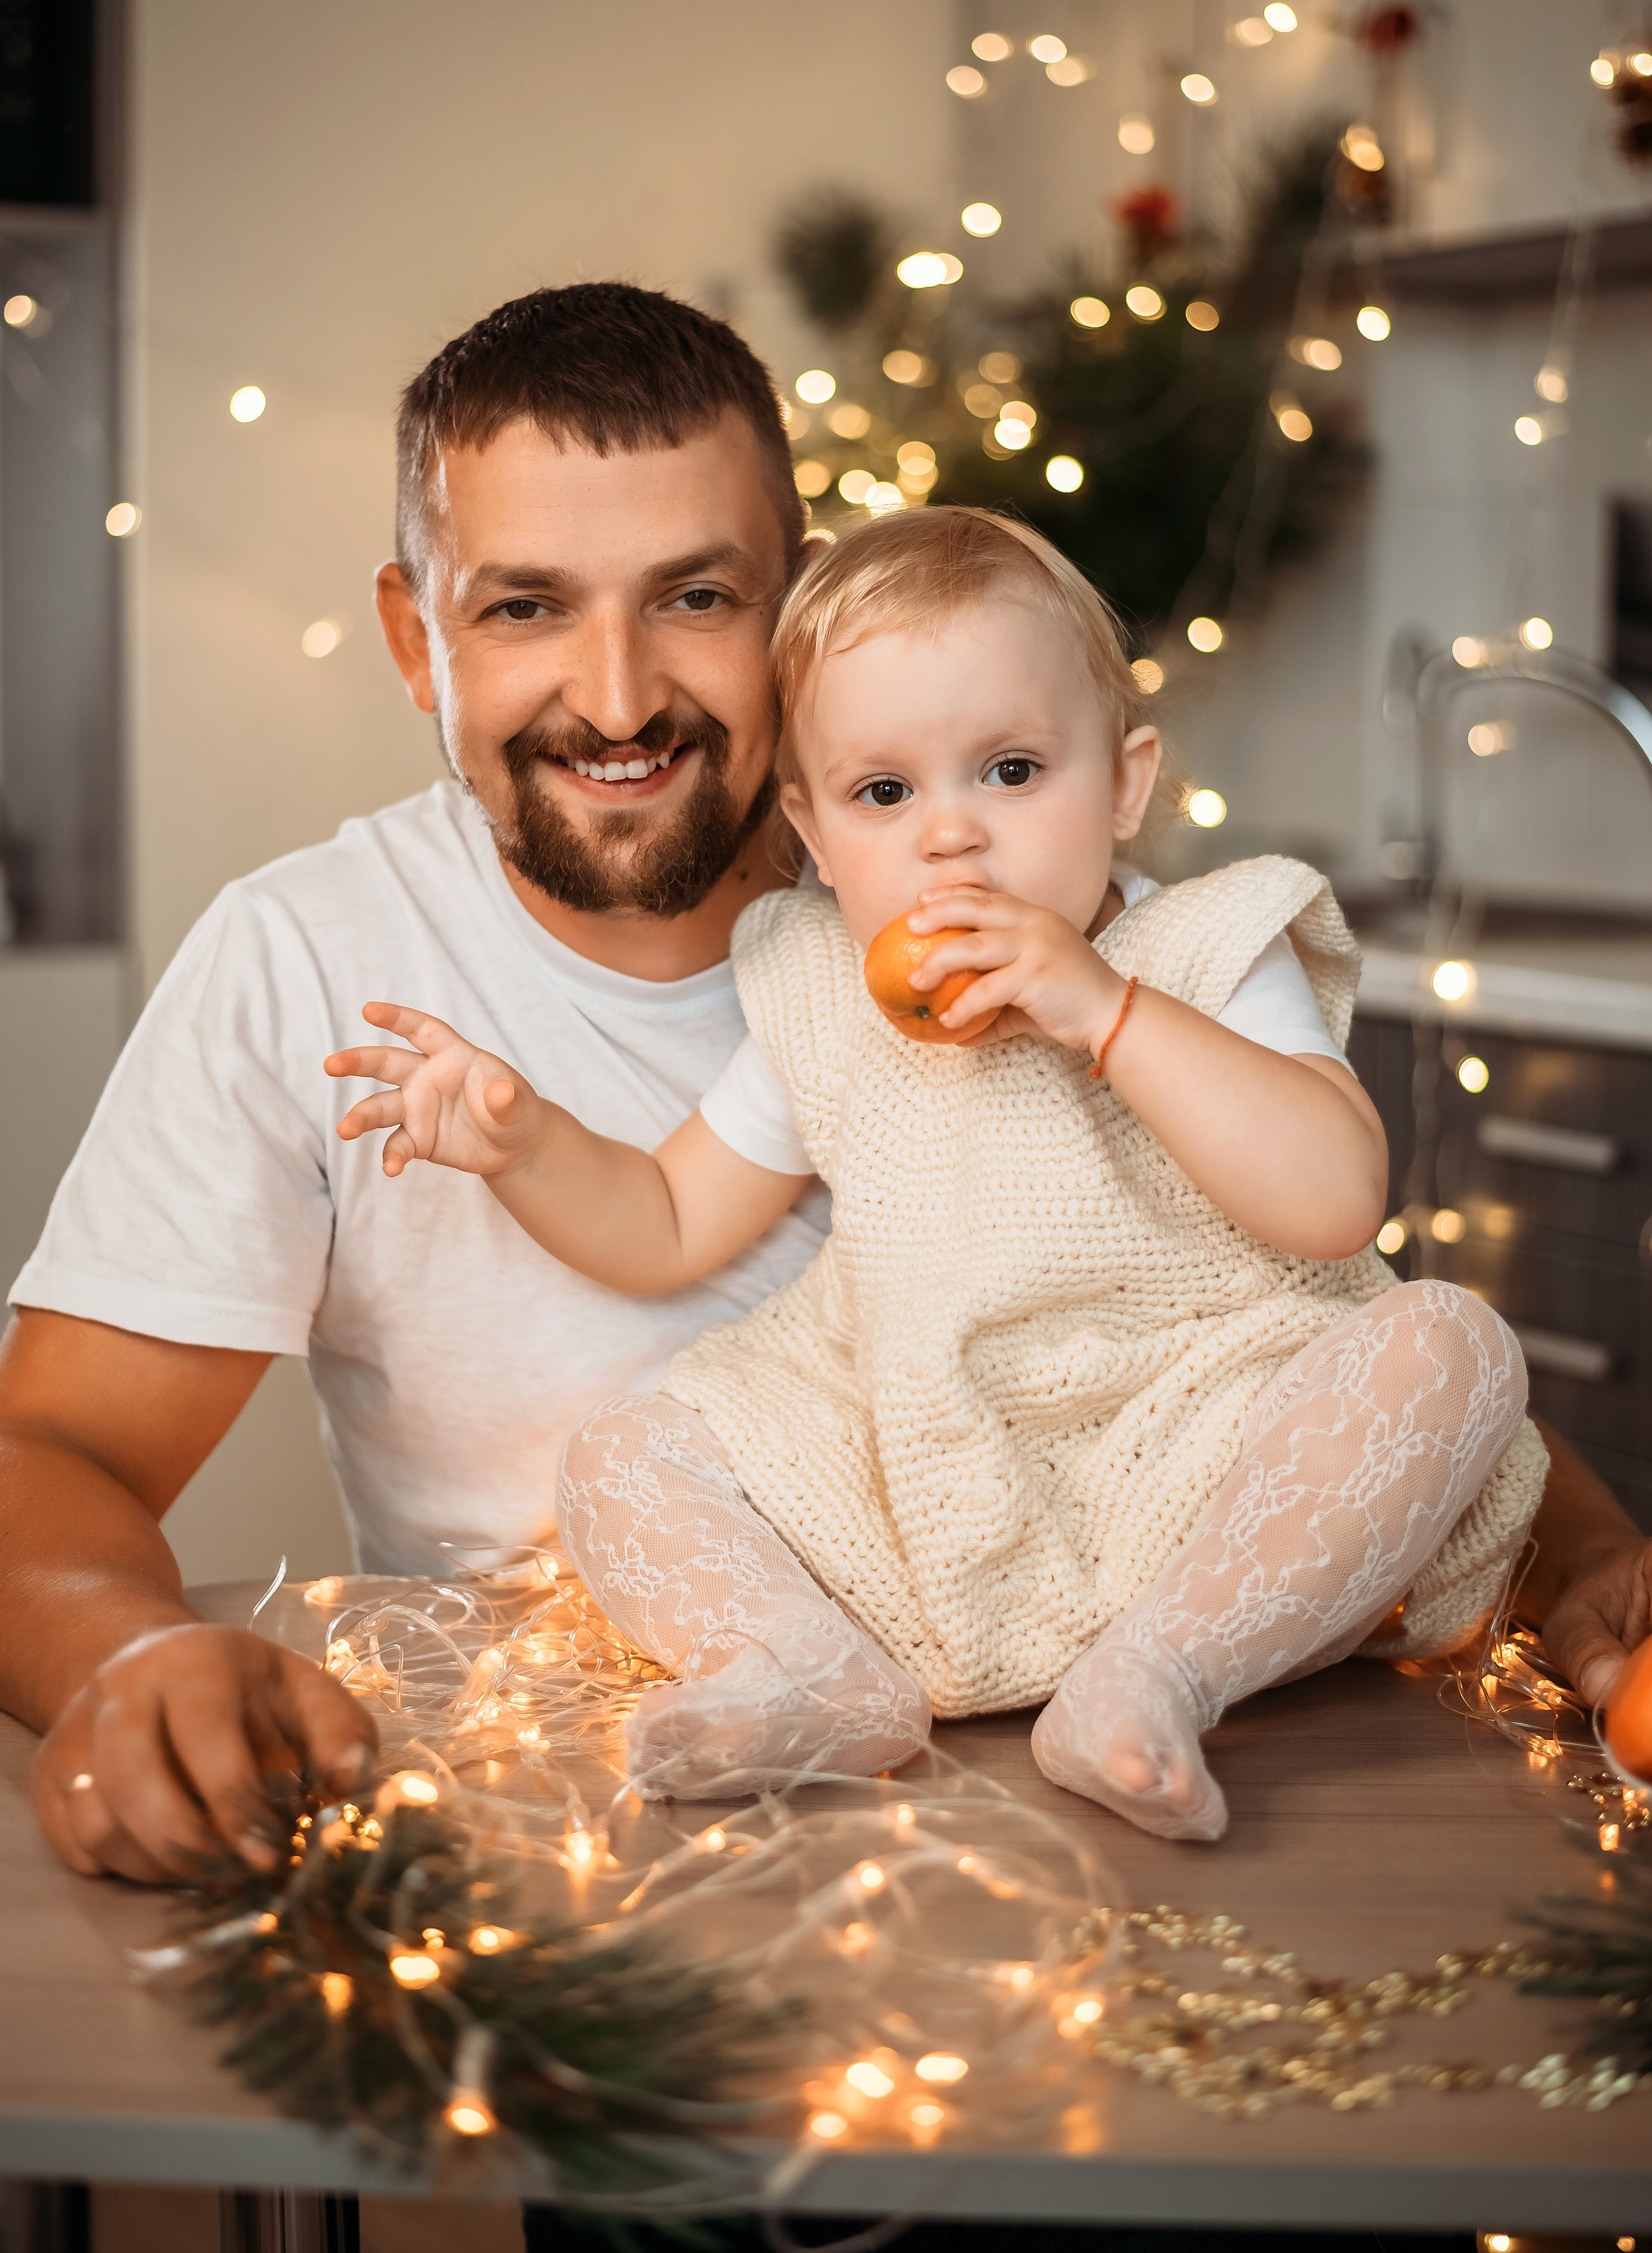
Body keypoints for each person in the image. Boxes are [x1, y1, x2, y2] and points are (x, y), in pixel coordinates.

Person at [0, 287, 1646, 1879]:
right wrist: (124, 1659)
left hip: (1217, 1764)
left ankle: (1157, 1669)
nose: (619, 698)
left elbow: (1315, 1306)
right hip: (628, 1808)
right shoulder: (316, 961)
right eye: (523, 607)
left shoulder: (1044, 894)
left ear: (791, 612)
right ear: (414, 640)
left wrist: (1575, 1546)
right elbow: (56, 1452)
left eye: (696, 597)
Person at [319, 507, 1542, 1841]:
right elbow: (665, 1221)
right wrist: (524, 1145)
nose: (950, 835)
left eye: (1011, 771)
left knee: (1451, 1344)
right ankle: (808, 1673)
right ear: (810, 826)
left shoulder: (1205, 949)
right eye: (884, 794)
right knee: (623, 1453)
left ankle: (1161, 1673)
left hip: (1196, 1430)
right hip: (920, 1452)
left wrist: (1104, 1009)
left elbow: (1335, 1200)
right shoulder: (824, 988)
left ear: (1123, 785)